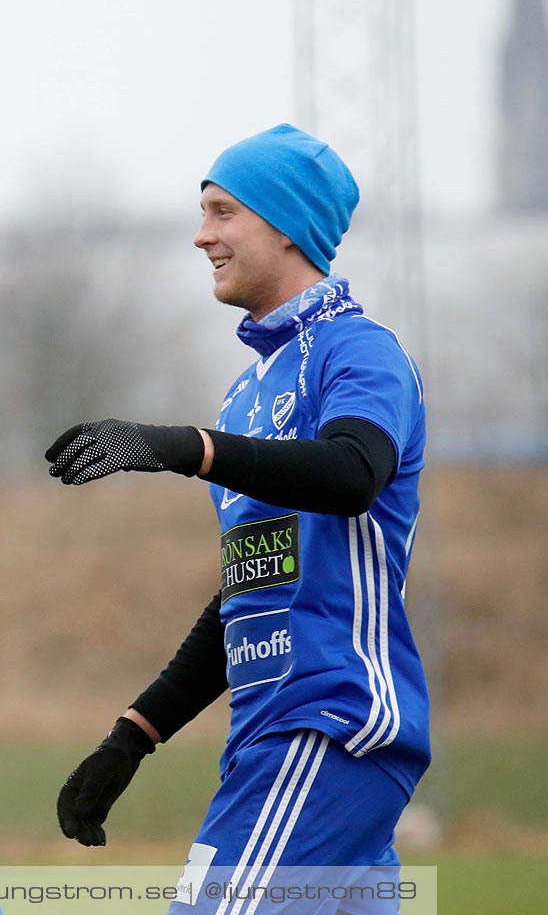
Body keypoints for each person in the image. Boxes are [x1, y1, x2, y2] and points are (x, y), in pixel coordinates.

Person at [46, 124, 428, 912]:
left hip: (329, 723)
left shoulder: (359, 351)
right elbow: (251, 591)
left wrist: (185, 448)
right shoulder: (245, 392)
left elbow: (353, 474)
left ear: (285, 225)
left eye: (222, 212)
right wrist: (132, 737)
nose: (201, 235)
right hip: (266, 735)